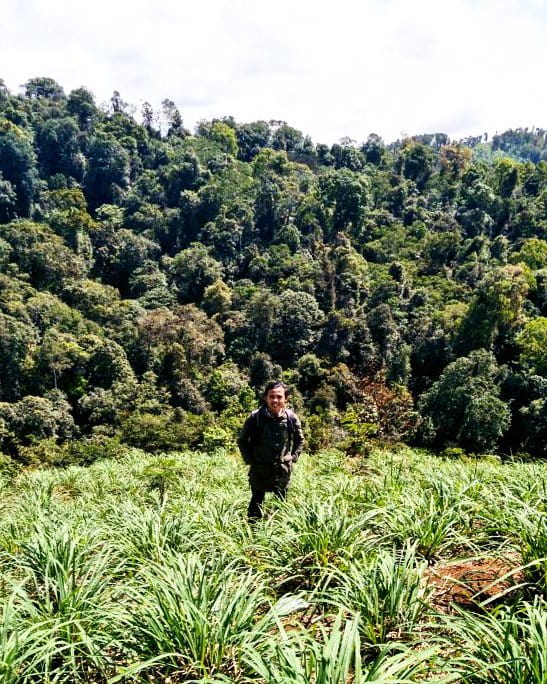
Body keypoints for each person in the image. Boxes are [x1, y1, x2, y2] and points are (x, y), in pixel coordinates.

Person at [237, 381, 304, 521]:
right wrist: (250, 460)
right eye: (271, 396)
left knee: (281, 504)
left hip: (283, 470)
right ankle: (252, 533)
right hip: (259, 469)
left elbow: (300, 440)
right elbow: (242, 440)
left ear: (285, 399)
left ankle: (279, 531)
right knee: (256, 502)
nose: (275, 400)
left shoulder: (291, 418)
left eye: (279, 397)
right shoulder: (255, 417)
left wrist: (293, 458)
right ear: (265, 398)